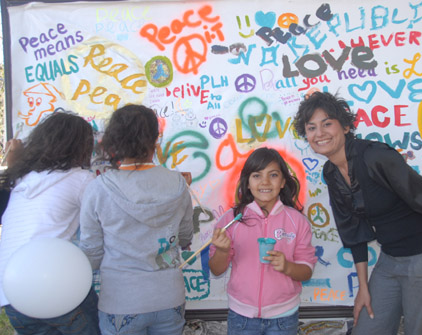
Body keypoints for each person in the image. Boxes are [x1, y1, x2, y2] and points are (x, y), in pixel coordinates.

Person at [293, 91, 422, 335]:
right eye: (311, 128)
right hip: (390, 260)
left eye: (327, 123)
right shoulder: (331, 173)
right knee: (367, 329)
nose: (319, 133)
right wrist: (363, 287)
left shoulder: (375, 156)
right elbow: (353, 231)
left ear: (346, 126)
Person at [79, 104, 194, 335]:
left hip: (121, 301)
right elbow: (185, 236)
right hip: (169, 298)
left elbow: (91, 252)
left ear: (114, 141)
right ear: (155, 139)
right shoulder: (178, 183)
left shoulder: (98, 188)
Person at [0, 112, 100, 335]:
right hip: (55, 285)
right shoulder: (81, 179)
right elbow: (106, 219)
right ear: (81, 147)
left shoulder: (22, 179)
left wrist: (13, 159)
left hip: (12, 295)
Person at [209, 147, 317, 335]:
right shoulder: (231, 220)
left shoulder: (297, 221)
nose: (265, 182)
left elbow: (306, 271)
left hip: (284, 317)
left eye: (273, 175)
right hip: (241, 316)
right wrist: (223, 251)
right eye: (257, 176)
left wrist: (287, 267)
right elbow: (216, 269)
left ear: (283, 181)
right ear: (247, 183)